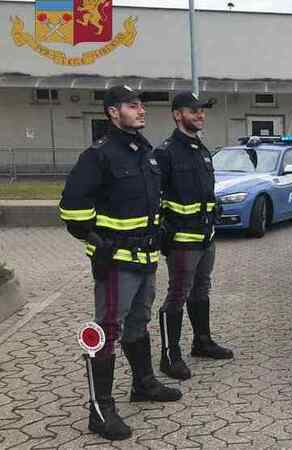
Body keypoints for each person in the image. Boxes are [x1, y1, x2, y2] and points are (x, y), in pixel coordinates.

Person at [59, 85, 181, 441]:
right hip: (116, 264)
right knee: (107, 330)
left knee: (139, 321)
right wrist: (98, 243)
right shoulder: (99, 156)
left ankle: (143, 384)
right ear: (113, 112)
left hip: (146, 259)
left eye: (141, 104)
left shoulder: (143, 152)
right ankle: (100, 410)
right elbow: (71, 210)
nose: (141, 110)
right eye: (132, 105)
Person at [156, 91, 233, 382]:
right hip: (182, 240)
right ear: (178, 115)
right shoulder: (165, 153)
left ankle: (202, 342)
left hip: (205, 235)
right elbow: (154, 197)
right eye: (194, 110)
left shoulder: (200, 149)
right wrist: (164, 232)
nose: (200, 115)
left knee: (202, 290)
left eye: (202, 111)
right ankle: (169, 355)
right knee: (177, 295)